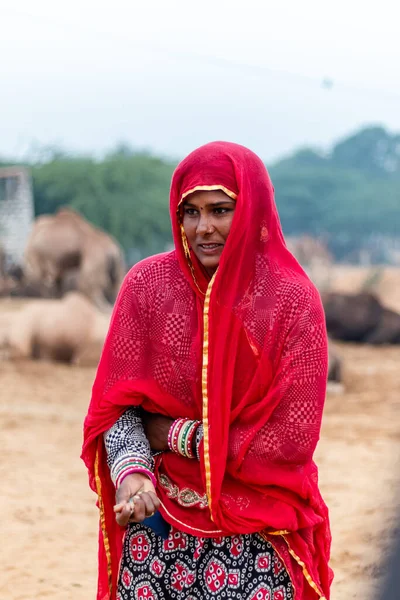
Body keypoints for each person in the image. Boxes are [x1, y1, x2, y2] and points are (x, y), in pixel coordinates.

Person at [82, 141, 333, 600]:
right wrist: (133, 473)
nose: (204, 228)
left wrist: (171, 434)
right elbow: (115, 407)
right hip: (159, 522)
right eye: (190, 213)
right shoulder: (147, 286)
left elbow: (289, 441)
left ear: (252, 208)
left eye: (220, 209)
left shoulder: (293, 301)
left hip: (257, 527)